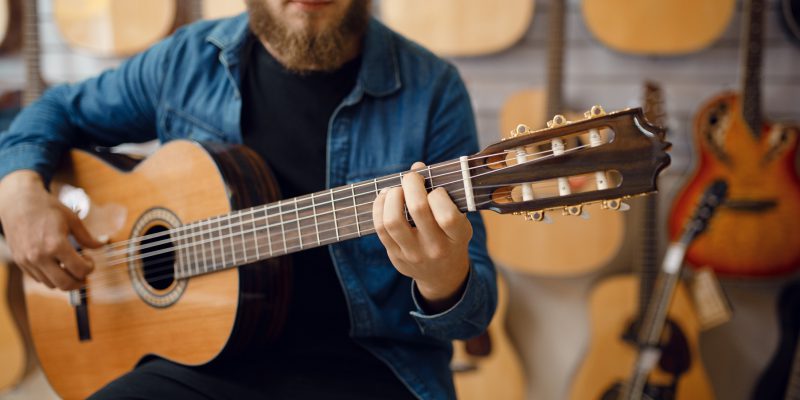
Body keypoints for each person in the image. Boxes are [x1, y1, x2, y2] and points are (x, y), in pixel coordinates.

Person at [0, 0, 497, 398]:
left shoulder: (432, 89)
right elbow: (55, 109)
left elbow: (471, 315)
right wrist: (19, 188)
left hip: (368, 367)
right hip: (195, 366)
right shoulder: (186, 61)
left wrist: (441, 277)